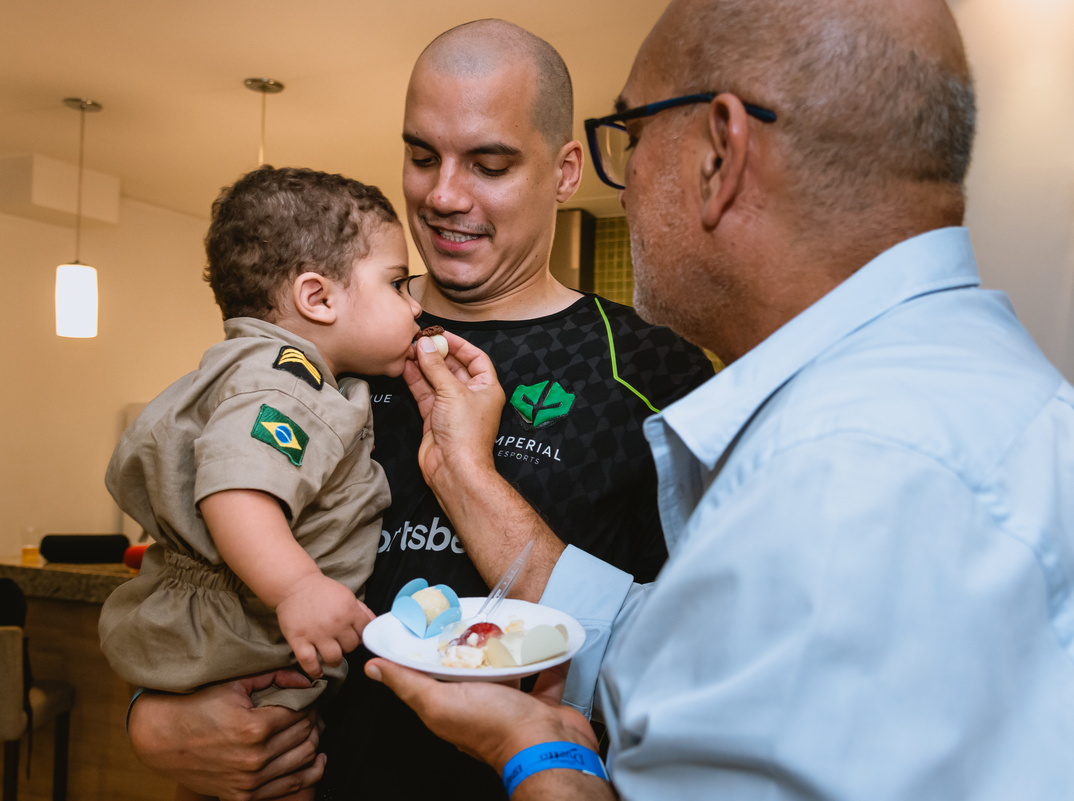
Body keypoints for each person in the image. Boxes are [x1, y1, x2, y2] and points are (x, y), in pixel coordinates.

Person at [365, 0, 1074, 798]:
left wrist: (541, 758)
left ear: (721, 151)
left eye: (630, 137)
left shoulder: (853, 476)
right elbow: (679, 643)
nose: (625, 184)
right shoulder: (930, 406)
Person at [126, 19, 714, 801]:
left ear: (567, 170)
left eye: (490, 164)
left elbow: (692, 661)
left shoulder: (648, 367)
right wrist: (154, 716)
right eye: (421, 155)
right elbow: (194, 554)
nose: (442, 195)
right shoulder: (319, 342)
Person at [99, 166, 422, 800]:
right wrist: (299, 586)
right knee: (282, 768)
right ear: (318, 297)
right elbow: (236, 489)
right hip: (246, 637)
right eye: (397, 284)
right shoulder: (288, 383)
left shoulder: (266, 370)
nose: (415, 304)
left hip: (232, 630)